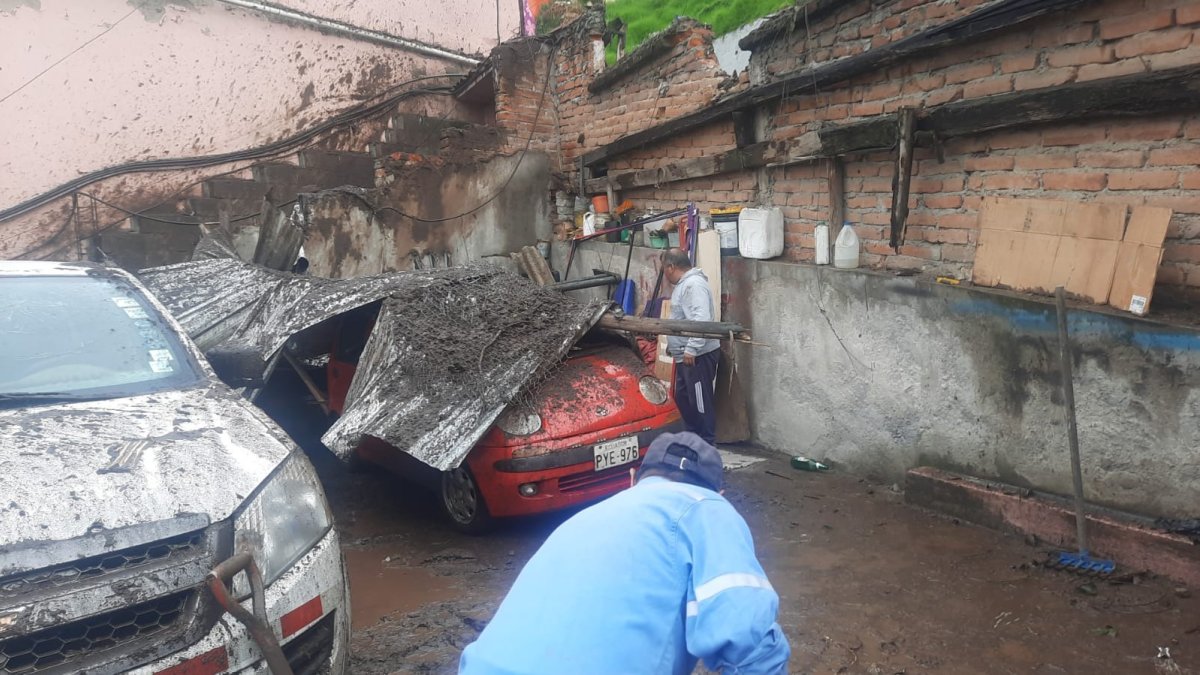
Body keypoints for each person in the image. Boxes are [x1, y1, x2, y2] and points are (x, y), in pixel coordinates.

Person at [459, 432, 790, 675]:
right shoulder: (708, 509)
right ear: (719, 493)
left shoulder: (584, 520)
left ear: (632, 480)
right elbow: (751, 643)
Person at [661, 248, 721, 444]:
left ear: (671, 267)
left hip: (698, 355)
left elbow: (701, 318)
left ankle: (706, 443)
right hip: (685, 356)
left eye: (664, 269)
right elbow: (681, 318)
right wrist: (675, 346)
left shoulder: (693, 285)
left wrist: (691, 348)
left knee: (700, 402)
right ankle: (693, 441)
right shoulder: (684, 285)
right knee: (685, 400)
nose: (664, 274)